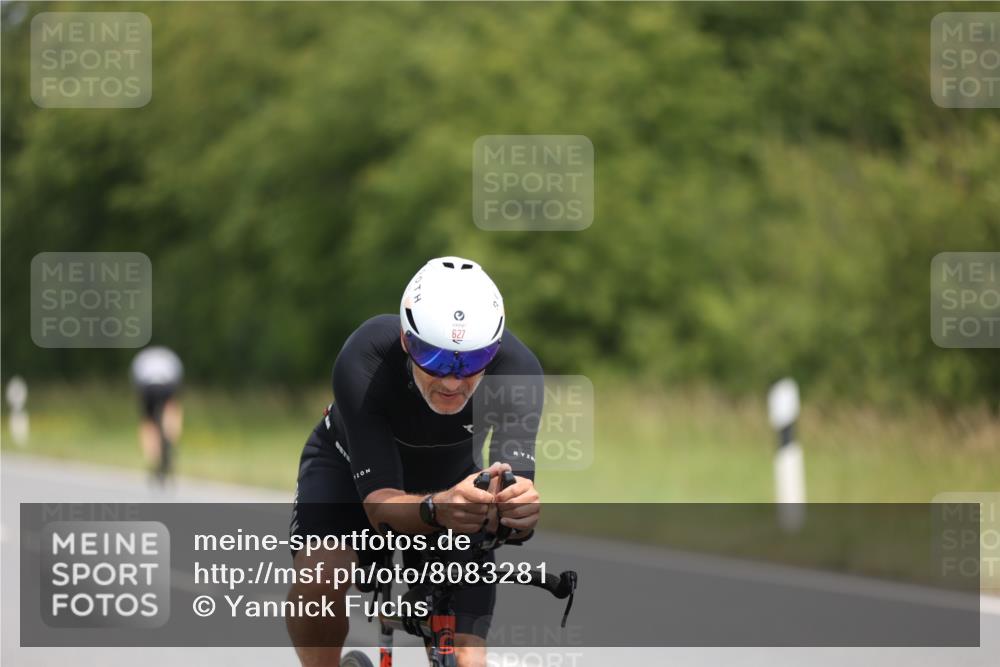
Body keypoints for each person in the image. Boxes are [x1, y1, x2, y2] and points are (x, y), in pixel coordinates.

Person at [287, 257, 543, 667]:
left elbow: (513, 501)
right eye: (436, 358)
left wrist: (518, 509)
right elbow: (378, 504)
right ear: (407, 341)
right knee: (321, 578)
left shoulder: (518, 372)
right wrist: (436, 508)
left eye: (472, 361)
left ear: (493, 351)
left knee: (466, 657)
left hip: (453, 481)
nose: (452, 381)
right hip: (348, 471)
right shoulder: (366, 357)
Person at [129, 346, 184, 485]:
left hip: (147, 387)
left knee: (148, 422)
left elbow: (136, 383)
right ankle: (169, 437)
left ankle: (153, 457)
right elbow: (177, 380)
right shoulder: (170, 357)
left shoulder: (142, 358)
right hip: (167, 385)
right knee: (171, 408)